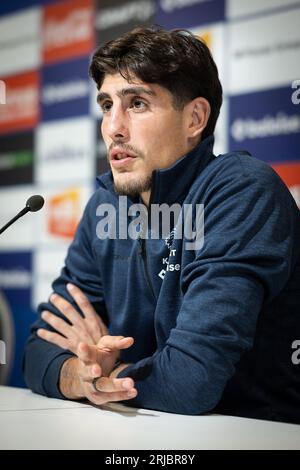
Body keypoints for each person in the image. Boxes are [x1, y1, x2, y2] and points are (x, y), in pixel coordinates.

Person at [23, 26, 300, 423]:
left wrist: (106, 380)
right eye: (106, 106)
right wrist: (78, 374)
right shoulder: (106, 206)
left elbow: (191, 380)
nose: (113, 128)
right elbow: (38, 350)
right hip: (146, 431)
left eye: (136, 103)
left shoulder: (241, 191)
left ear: (195, 118)